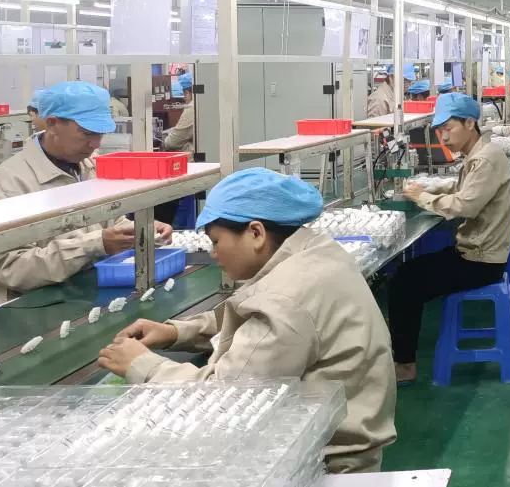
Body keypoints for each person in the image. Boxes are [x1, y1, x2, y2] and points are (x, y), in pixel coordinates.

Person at [97, 168, 396, 473]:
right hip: (340, 436)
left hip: (324, 464)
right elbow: (253, 316)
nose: (213, 253)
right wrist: (177, 332)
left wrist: (144, 365)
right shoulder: (315, 252)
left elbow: (226, 398)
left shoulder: (287, 298)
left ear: (256, 233)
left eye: (216, 241)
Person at [0, 82, 172, 304]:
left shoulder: (89, 165)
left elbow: (110, 221)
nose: (95, 144)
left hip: (90, 289)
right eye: (87, 133)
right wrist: (93, 245)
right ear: (52, 124)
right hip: (37, 304)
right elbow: (11, 269)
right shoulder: (10, 181)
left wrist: (139, 228)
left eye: (100, 134)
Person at [392, 93, 510, 384]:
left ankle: (405, 366)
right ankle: (401, 338)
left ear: (470, 123)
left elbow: (464, 206)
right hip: (479, 252)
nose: (443, 137)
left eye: (448, 128)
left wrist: (422, 197)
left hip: (481, 261)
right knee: (407, 273)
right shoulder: (479, 155)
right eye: (439, 131)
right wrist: (430, 191)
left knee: (403, 284)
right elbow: (464, 189)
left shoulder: (485, 160)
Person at [163, 72, 196, 152]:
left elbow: (172, 143)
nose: (184, 99)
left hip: (198, 157)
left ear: (187, 93)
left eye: (184, 94)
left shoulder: (192, 108)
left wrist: (164, 139)